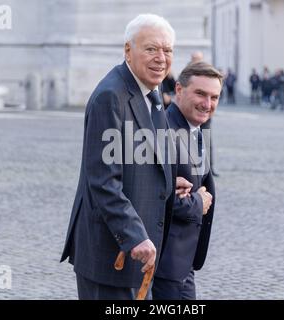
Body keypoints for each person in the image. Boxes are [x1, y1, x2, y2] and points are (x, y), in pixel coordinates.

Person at [60, 13, 192, 300]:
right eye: (151, 49)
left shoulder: (150, 92)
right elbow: (103, 180)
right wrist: (134, 236)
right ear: (128, 51)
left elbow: (143, 156)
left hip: (137, 256)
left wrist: (169, 181)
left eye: (168, 50)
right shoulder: (111, 97)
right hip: (110, 255)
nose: (161, 58)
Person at [152, 61, 221, 300]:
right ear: (179, 90)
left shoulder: (195, 129)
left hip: (184, 263)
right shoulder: (164, 131)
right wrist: (197, 201)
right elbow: (152, 196)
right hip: (164, 265)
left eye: (214, 97)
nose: (208, 103)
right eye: (200, 94)